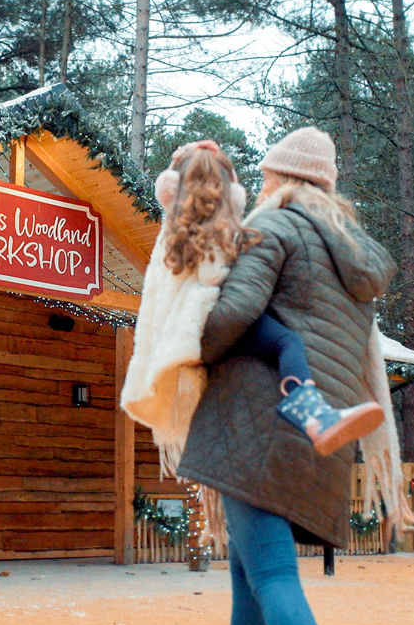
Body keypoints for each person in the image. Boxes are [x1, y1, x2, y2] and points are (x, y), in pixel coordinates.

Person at [175, 127, 412, 625]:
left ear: (283, 177)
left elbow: (231, 314)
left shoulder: (276, 224)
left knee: (273, 576)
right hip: (319, 428)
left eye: (266, 176)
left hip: (255, 426)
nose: (261, 185)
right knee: (250, 576)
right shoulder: (351, 257)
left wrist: (190, 340)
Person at [121, 139, 384, 479]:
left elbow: (170, 192)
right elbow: (214, 276)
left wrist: (182, 161)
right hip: (204, 320)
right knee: (286, 342)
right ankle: (313, 414)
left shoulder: (173, 228)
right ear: (230, 192)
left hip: (181, 328)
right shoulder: (220, 232)